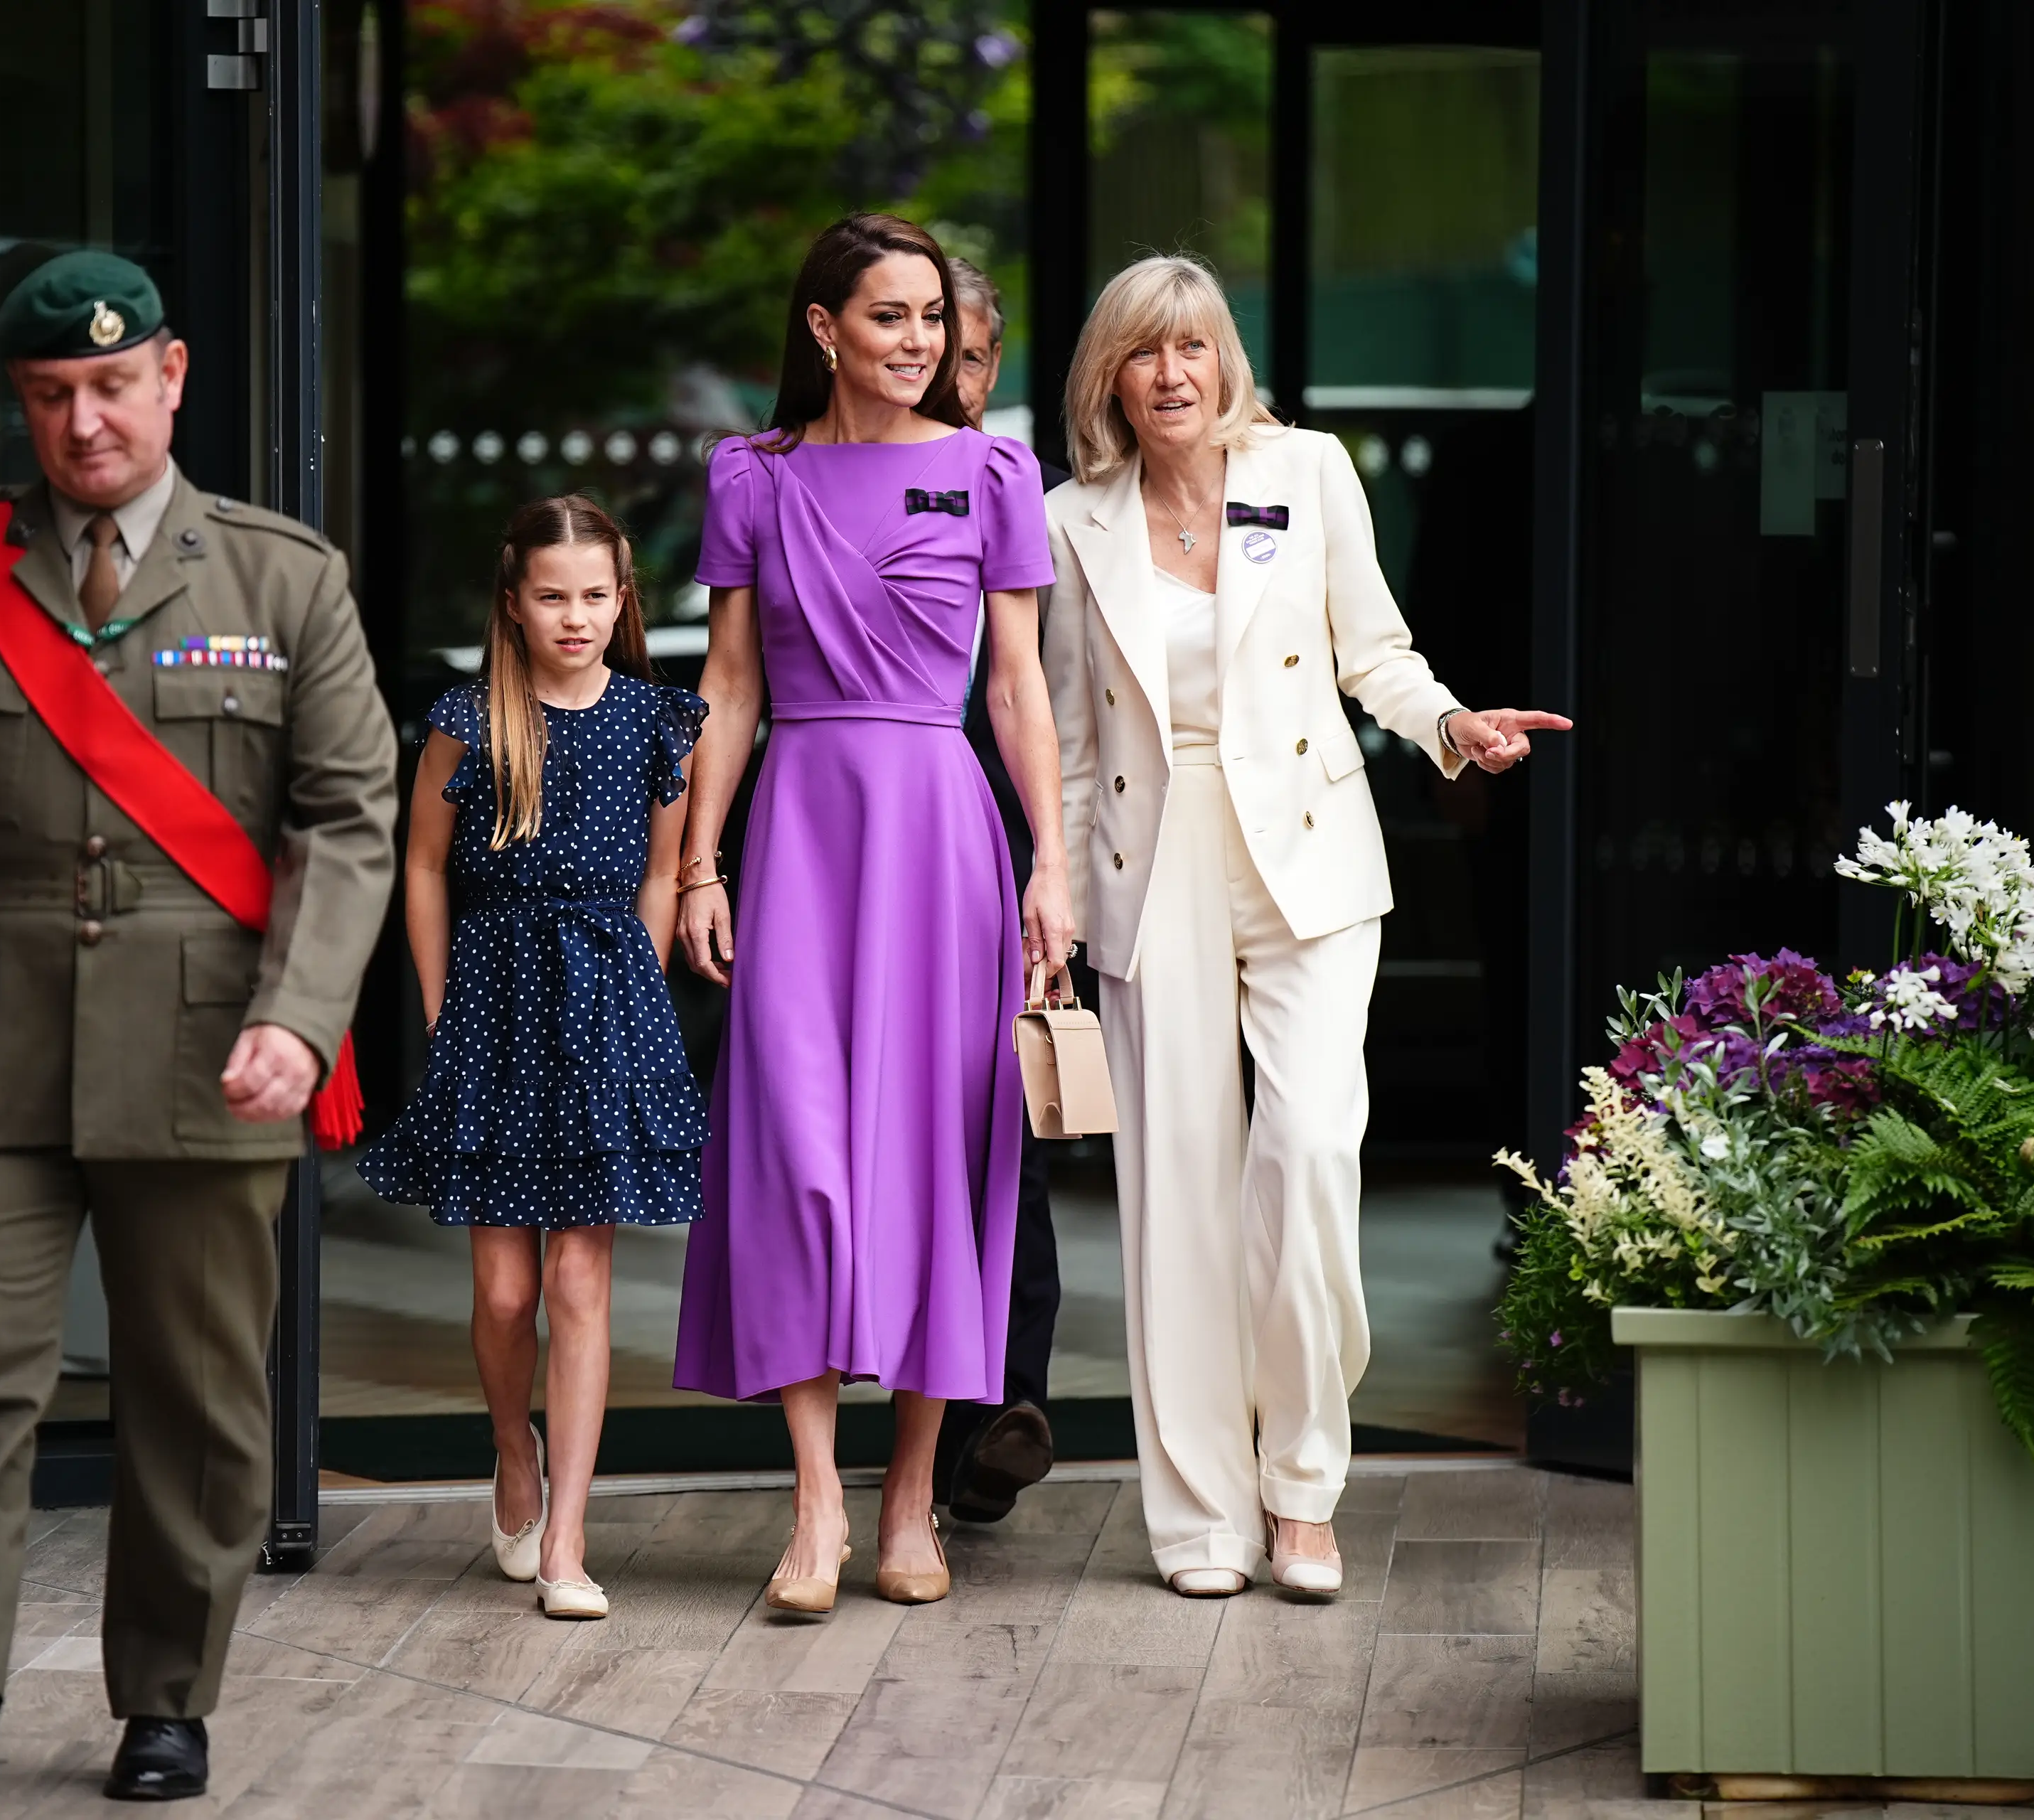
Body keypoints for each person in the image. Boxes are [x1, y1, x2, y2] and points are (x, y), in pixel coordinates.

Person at [0, 249, 398, 1814]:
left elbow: (350, 822)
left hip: (210, 1047)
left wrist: (304, 1019)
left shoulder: (283, 576)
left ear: (172, 377)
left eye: (111, 388)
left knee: (194, 1398)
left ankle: (168, 1699)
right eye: (50, 397)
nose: (83, 424)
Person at [1041, 255, 1568, 1599]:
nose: (1174, 375)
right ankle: (1204, 1520)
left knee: (1312, 1161)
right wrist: (1044, 883)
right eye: (1146, 353)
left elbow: (1372, 651)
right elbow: (1060, 730)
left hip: (1310, 862)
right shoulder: (1067, 520)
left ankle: (1304, 1488)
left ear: (1229, 363)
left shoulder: (1308, 472)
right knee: (1176, 1198)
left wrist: (1450, 727)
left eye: (1197, 348)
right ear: (1109, 373)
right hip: (1145, 862)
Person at [672, 213, 1071, 1612]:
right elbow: (727, 684)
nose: (916, 342)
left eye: (932, 319)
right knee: (795, 1146)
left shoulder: (993, 471)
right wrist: (697, 863)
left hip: (944, 832)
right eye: (888, 316)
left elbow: (1017, 687)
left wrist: (1052, 863)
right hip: (800, 828)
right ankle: (813, 1500)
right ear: (825, 328)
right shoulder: (753, 477)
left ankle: (911, 1499)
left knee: (932, 1161)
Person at [356, 496, 707, 1621]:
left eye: (596, 595)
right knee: (506, 1293)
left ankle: (568, 1539)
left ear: (624, 600)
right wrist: (440, 1000)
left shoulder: (659, 720)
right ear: (513, 603)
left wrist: (639, 990)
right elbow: (421, 865)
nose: (577, 616)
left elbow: (660, 873)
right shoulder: (470, 718)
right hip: (495, 1001)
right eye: (553, 596)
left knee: (576, 1278)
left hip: (608, 1001)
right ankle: (514, 1452)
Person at [933, 257, 1064, 1523]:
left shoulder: (1013, 491)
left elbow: (1036, 690)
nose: (955, 379)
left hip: (998, 838)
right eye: (937, 349)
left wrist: (1050, 862)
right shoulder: (806, 475)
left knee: (1001, 1125)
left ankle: (1002, 1409)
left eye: (976, 357)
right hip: (872, 832)